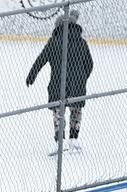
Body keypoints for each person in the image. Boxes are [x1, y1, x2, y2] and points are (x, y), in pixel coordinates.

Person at [26, 10, 94, 155]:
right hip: (78, 85)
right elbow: (90, 64)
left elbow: (41, 60)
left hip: (58, 84)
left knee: (58, 112)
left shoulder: (54, 42)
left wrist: (31, 76)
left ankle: (60, 141)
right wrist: (82, 78)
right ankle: (74, 140)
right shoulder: (81, 43)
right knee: (76, 111)